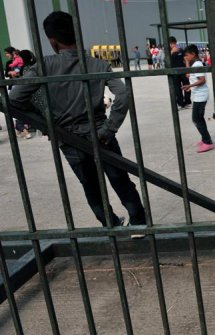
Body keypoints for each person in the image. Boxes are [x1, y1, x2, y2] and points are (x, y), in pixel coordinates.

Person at [8, 11, 146, 233]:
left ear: (52, 39)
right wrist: (109, 129)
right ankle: (140, 224)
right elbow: (122, 94)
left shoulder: (43, 67)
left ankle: (110, 224)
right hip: (100, 133)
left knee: (90, 185)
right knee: (120, 179)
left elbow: (14, 99)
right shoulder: (96, 65)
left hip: (67, 138)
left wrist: (45, 120)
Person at [181, 45, 213, 153]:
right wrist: (186, 62)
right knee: (199, 118)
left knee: (196, 119)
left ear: (193, 54)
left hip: (201, 96)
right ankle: (205, 139)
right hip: (197, 96)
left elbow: (202, 80)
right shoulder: (193, 64)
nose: (186, 57)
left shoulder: (198, 64)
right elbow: (188, 75)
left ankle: (208, 142)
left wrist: (189, 86)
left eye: (187, 55)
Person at [168, 36, 192, 110]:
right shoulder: (168, 53)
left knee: (187, 86)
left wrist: (188, 71)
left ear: (175, 43)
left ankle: (187, 102)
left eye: (173, 43)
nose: (172, 45)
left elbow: (186, 61)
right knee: (177, 89)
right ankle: (180, 103)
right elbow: (166, 62)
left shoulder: (181, 50)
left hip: (183, 71)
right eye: (171, 44)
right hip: (174, 73)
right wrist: (171, 52)